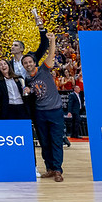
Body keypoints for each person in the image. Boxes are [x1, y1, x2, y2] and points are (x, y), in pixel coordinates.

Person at [22, 32, 65, 182]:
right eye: (25, 63)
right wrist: (28, 90)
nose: (28, 64)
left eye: (30, 62)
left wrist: (52, 40)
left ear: (34, 62)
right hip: (40, 113)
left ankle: (58, 170)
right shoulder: (27, 79)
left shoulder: (44, 70)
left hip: (55, 111)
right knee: (44, 142)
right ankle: (50, 168)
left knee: (56, 141)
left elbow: (51, 54)